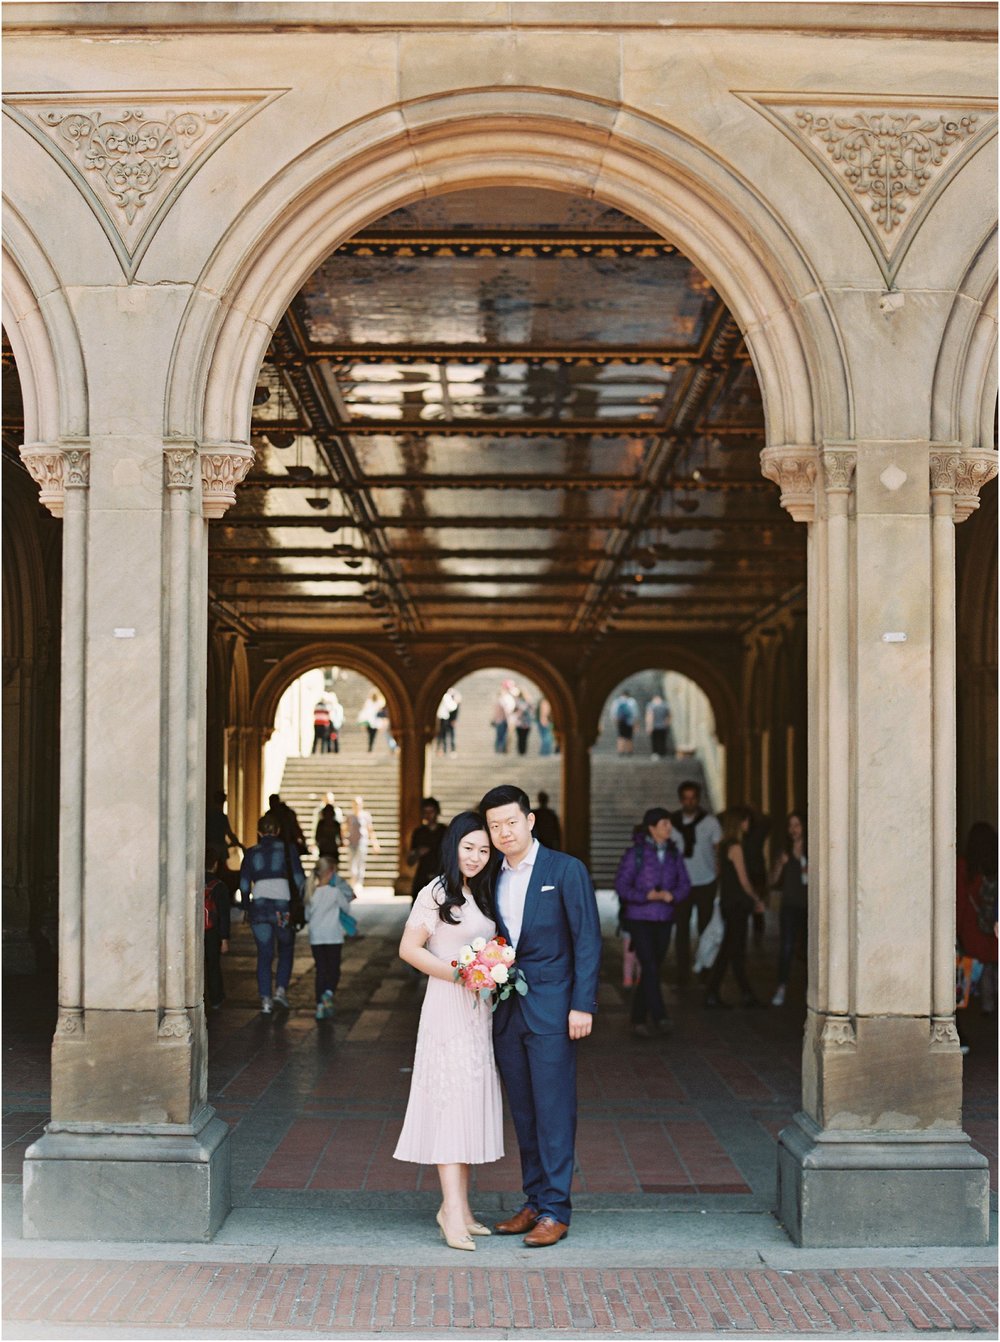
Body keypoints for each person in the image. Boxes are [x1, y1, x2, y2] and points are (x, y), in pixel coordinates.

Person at [480, 784, 602, 1248]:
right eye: (495, 826)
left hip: (554, 1010)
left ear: (530, 821)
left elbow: (587, 940)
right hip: (507, 1011)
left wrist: (582, 1004)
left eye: (511, 822)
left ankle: (556, 1209)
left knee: (554, 1111)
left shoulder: (565, 870)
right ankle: (533, 1201)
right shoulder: (492, 876)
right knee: (525, 1113)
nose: (504, 832)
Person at [393, 812, 504, 1251]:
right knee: (451, 1101)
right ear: (453, 847)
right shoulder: (436, 892)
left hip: (479, 1011)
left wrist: (492, 968)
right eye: (469, 847)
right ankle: (451, 1211)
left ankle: (461, 1207)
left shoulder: (482, 893)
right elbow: (408, 949)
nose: (476, 857)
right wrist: (458, 974)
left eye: (484, 849)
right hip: (447, 1008)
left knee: (469, 1100)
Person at [614, 807, 691, 1037]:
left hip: (664, 918)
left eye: (670, 824)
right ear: (652, 828)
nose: (669, 828)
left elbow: (685, 883)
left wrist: (673, 896)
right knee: (649, 965)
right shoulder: (635, 854)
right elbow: (621, 885)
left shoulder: (674, 854)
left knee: (652, 968)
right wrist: (645, 896)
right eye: (665, 824)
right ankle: (660, 1015)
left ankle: (638, 1018)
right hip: (639, 919)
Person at [240, 813, 305, 1015]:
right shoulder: (288, 850)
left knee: (264, 953)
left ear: (259, 832)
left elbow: (243, 885)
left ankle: (265, 1000)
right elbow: (299, 879)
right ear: (277, 831)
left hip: (259, 907)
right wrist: (300, 902)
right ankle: (280, 991)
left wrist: (246, 906)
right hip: (282, 908)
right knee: (286, 947)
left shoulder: (251, 853)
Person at [704, 807, 766, 1009]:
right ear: (739, 822)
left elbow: (721, 873)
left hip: (728, 903)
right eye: (746, 821)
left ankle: (746, 994)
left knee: (735, 949)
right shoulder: (736, 847)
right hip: (738, 905)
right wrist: (757, 898)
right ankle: (712, 993)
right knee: (730, 949)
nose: (748, 825)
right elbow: (744, 880)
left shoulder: (723, 846)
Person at [671, 780, 722, 986]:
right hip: (682, 884)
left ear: (698, 800)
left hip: (706, 882)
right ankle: (682, 971)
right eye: (686, 798)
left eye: (693, 798)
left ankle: (705, 966)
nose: (690, 802)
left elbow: (719, 851)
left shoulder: (710, 823)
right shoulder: (672, 823)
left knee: (705, 928)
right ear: (681, 800)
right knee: (681, 929)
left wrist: (719, 880)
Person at [306, 853, 355, 1021]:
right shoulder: (335, 893)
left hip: (316, 937)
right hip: (333, 936)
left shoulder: (310, 892)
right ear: (331, 872)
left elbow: (307, 916)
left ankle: (320, 1006)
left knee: (321, 970)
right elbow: (346, 909)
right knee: (334, 970)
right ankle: (328, 993)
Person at [956, 822, 998, 1018]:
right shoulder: (994, 866)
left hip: (972, 926)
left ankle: (983, 1004)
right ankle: (990, 1002)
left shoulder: (965, 867)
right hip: (993, 923)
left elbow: (960, 899)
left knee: (977, 964)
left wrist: (956, 929)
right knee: (992, 964)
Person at [769, 811, 808, 1006]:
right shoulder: (784, 851)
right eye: (790, 826)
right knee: (787, 947)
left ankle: (814, 992)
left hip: (810, 907)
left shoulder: (814, 850)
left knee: (811, 949)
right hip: (790, 905)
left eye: (797, 825)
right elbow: (773, 880)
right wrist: (780, 864)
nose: (793, 830)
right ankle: (781, 987)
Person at [203, 849, 231, 1012]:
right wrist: (225, 938)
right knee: (213, 965)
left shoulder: (191, 882)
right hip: (212, 931)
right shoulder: (219, 886)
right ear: (214, 865)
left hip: (194, 932)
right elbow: (224, 915)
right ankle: (216, 998)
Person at [407, 796, 447, 900]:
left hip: (442, 874)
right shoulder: (419, 833)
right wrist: (417, 853)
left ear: (437, 812)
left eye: (431, 811)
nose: (429, 815)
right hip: (422, 875)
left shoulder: (445, 831)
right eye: (425, 812)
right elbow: (410, 861)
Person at [346, 795, 380, 888]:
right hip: (351, 842)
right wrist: (343, 839)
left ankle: (359, 883)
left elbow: (370, 830)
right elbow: (345, 829)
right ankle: (353, 881)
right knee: (352, 863)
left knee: (361, 862)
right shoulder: (350, 816)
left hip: (362, 842)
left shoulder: (366, 816)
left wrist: (374, 843)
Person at [205, 789, 242, 867]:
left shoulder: (209, 815)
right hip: (218, 848)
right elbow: (229, 833)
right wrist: (237, 843)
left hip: (210, 847)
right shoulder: (221, 817)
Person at [610, 691, 639, 755]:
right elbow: (635, 713)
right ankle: (629, 751)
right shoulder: (632, 701)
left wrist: (615, 720)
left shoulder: (617, 701)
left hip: (620, 721)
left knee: (620, 736)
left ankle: (620, 751)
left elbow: (613, 712)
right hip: (629, 721)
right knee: (629, 736)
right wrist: (636, 723)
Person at [645, 693, 673, 759]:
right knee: (662, 740)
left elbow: (650, 716)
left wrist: (649, 726)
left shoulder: (651, 705)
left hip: (654, 726)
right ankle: (662, 753)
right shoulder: (665, 705)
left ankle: (655, 753)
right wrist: (667, 723)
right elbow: (670, 715)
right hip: (663, 726)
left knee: (655, 740)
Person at [435, 689, 458, 755]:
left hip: (440, 717)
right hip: (443, 717)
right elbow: (452, 707)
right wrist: (456, 702)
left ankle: (441, 749)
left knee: (441, 735)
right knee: (442, 735)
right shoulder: (446, 697)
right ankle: (442, 750)